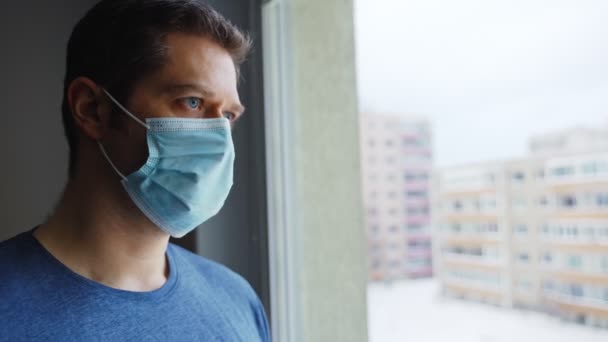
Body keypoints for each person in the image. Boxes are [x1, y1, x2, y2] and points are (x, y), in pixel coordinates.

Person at [0, 1, 270, 341]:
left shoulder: (237, 300)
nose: (219, 141)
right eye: (192, 102)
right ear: (92, 109)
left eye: (228, 116)